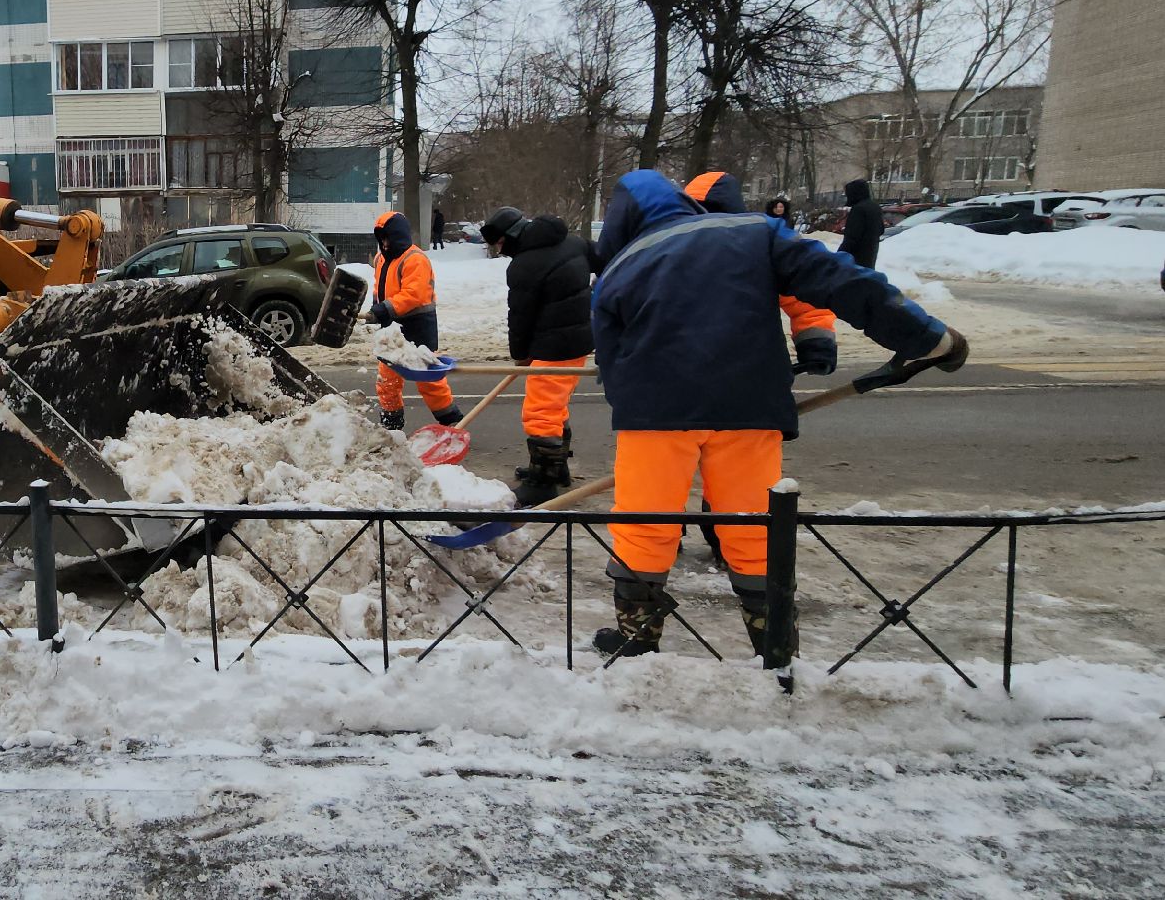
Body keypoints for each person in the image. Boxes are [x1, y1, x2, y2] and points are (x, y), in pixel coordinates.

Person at [589, 169, 966, 660]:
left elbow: (611, 360)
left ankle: (635, 640)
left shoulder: (621, 265)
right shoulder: (755, 232)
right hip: (749, 407)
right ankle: (774, 646)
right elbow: (841, 280)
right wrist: (928, 338)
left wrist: (641, 406)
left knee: (645, 526)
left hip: (655, 416)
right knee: (752, 529)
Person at [683, 172, 839, 567]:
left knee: (733, 477)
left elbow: (806, 294)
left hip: (739, 377)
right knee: (676, 472)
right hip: (687, 376)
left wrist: (815, 338)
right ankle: (676, 536)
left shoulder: (756, 244)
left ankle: (724, 541)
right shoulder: (673, 244)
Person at [480, 207, 592, 507]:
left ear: (512, 235)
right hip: (579, 341)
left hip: (553, 346)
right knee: (555, 406)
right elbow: (607, 265)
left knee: (541, 412)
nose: (502, 252)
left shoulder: (525, 265)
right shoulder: (574, 243)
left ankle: (543, 483)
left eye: (501, 245)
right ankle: (557, 469)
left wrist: (521, 354)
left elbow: (520, 317)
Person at [370, 211, 461, 430]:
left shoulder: (415, 259)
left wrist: (384, 308)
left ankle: (451, 420)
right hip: (391, 327)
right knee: (387, 380)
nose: (384, 242)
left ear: (397, 235)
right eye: (381, 238)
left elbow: (414, 294)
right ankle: (391, 426)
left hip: (418, 326)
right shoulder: (381, 258)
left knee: (429, 381)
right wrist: (375, 308)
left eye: (387, 237)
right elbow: (379, 287)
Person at [838, 178, 882, 268]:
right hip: (871, 254)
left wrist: (839, 256)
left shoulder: (858, 209)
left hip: (855, 258)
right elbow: (881, 230)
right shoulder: (875, 207)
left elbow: (852, 238)